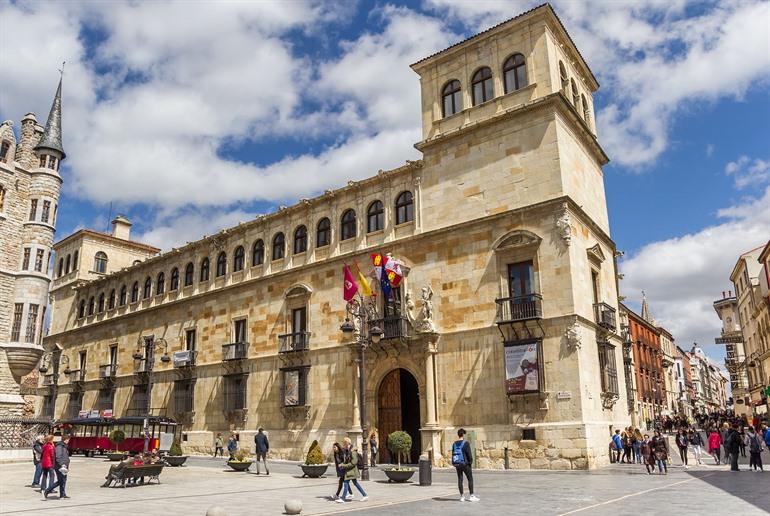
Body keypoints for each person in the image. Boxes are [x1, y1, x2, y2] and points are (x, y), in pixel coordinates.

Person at [451, 428, 479, 502]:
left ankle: (462, 496)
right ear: (463, 435)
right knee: (470, 479)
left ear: (458, 435)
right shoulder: (465, 443)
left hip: (457, 464)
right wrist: (470, 462)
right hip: (465, 464)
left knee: (460, 479)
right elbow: (469, 455)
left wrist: (454, 463)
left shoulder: (454, 444)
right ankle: (471, 495)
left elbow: (453, 454)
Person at [337, 438, 368, 504]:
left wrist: (344, 465)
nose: (343, 445)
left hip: (352, 471)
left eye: (344, 443)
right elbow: (347, 461)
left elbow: (353, 463)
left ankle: (343, 498)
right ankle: (365, 495)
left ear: (347, 443)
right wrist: (342, 464)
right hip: (350, 471)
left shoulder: (353, 452)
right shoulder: (348, 451)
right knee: (355, 483)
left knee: (345, 483)